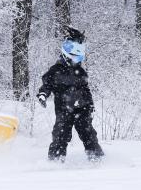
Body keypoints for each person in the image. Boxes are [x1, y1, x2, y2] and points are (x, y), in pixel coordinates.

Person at [36, 27, 104, 162]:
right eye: (75, 57)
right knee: (61, 134)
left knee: (88, 132)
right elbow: (47, 84)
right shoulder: (55, 71)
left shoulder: (81, 72)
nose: (77, 61)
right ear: (66, 54)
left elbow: (86, 90)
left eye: (80, 58)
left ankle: (96, 158)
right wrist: (43, 94)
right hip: (64, 110)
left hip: (82, 108)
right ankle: (55, 159)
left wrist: (90, 105)